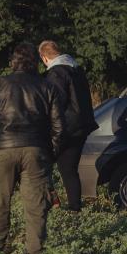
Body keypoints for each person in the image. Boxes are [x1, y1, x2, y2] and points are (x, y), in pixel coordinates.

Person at [0, 43, 64, 254]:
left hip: (3, 151)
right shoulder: (47, 86)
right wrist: (50, 153)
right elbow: (59, 127)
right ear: (35, 62)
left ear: (13, 62)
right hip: (36, 152)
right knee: (36, 209)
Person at [38, 40, 98, 211]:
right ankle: (74, 208)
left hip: (66, 128)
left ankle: (56, 203)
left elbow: (56, 103)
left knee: (42, 164)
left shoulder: (56, 74)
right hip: (82, 126)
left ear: (44, 57)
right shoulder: (76, 69)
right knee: (69, 169)